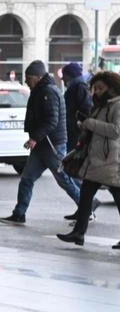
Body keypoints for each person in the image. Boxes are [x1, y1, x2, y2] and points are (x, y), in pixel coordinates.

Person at [0, 60, 81, 224]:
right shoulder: (41, 90)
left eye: (28, 78)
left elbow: (52, 120)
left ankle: (87, 207)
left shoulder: (47, 92)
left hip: (51, 145)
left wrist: (34, 138)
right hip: (43, 145)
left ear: (37, 77)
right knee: (27, 179)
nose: (26, 82)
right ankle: (19, 213)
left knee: (64, 180)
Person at [58, 71, 120, 248]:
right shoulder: (102, 105)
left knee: (115, 198)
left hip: (111, 161)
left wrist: (90, 124)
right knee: (85, 196)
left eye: (101, 88)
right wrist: (84, 125)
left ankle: (78, 233)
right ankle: (78, 233)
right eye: (95, 88)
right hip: (98, 160)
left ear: (112, 88)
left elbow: (116, 130)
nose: (97, 92)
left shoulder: (117, 105)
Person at [62, 62, 93, 160]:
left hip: (76, 133)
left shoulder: (79, 88)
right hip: (73, 131)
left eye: (64, 75)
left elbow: (87, 109)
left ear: (69, 75)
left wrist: (79, 124)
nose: (62, 79)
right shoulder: (76, 87)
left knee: (74, 161)